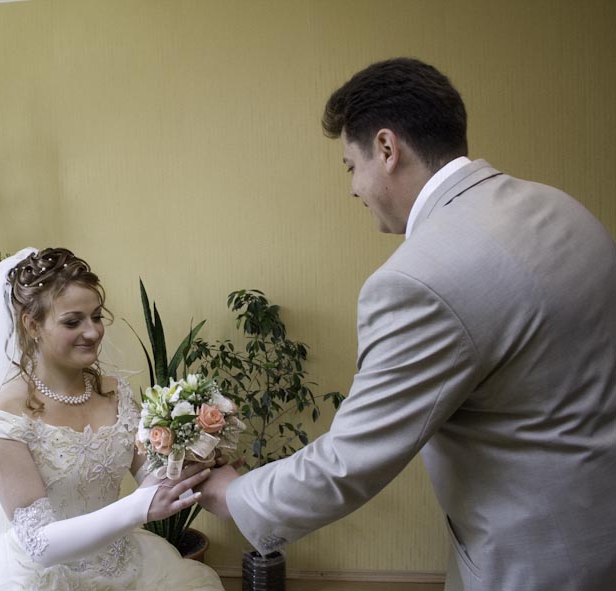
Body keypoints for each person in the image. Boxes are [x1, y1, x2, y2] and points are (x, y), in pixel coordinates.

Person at [197, 57, 616, 591]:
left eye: (351, 166)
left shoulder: (419, 279)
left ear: (387, 149)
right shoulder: (562, 209)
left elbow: (351, 460)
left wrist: (232, 495)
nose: (353, 189)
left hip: (533, 560)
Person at [0, 247, 224, 590]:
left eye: (96, 317)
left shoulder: (114, 392)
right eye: (73, 322)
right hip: (45, 577)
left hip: (129, 566)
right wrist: (137, 506)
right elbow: (39, 542)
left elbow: (151, 474)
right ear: (32, 325)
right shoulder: (3, 415)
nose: (93, 332)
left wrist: (197, 455)